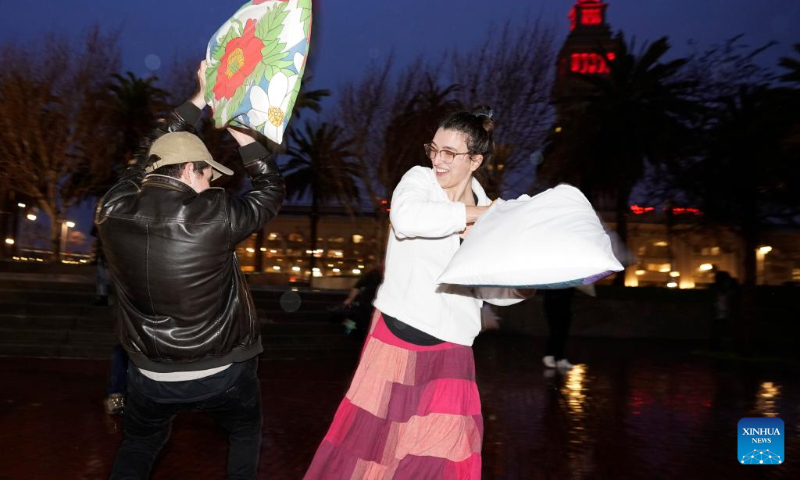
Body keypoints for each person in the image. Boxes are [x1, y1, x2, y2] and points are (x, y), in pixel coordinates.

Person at [304, 107, 529, 479]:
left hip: (452, 350)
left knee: (446, 453)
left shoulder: (489, 216)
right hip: (395, 339)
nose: (438, 160)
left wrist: (529, 284)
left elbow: (494, 290)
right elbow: (407, 220)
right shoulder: (420, 182)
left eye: (450, 154)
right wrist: (478, 215)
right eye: (434, 149)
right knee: (373, 454)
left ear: (475, 160)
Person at [96, 61, 285, 480]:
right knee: (245, 432)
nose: (211, 182)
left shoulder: (111, 208)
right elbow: (271, 192)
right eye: (207, 172)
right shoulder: (214, 212)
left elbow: (145, 153)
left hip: (148, 372)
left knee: (140, 444)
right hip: (223, 370)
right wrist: (244, 138)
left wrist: (197, 99)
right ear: (188, 170)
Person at [541, 288, 576, 371]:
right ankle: (549, 355)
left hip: (566, 301)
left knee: (563, 329)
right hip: (553, 300)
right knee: (555, 329)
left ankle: (560, 357)